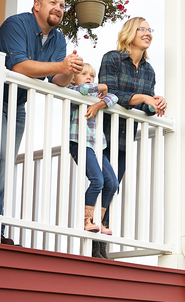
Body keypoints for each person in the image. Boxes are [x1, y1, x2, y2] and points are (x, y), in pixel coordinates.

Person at [0, 0, 83, 244]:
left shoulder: (58, 38)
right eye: (52, 2)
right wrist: (60, 65)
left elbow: (59, 80)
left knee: (5, 163)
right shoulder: (16, 25)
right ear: (37, 5)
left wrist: (70, 69)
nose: (58, 8)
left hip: (17, 105)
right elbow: (19, 65)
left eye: (62, 5)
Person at [98, 17, 167, 235]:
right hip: (102, 135)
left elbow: (144, 107)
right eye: (142, 29)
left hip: (125, 140)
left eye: (150, 30)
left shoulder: (149, 70)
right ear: (130, 32)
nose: (148, 33)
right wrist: (143, 98)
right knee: (102, 185)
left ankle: (100, 238)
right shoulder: (112, 59)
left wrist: (155, 103)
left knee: (111, 189)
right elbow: (110, 93)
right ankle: (92, 234)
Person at [67, 63, 119, 259]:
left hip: (97, 146)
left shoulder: (95, 95)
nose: (89, 78)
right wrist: (101, 88)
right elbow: (84, 88)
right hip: (79, 143)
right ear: (73, 78)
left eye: (92, 75)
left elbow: (114, 97)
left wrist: (99, 102)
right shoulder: (73, 90)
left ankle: (101, 220)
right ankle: (87, 220)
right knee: (97, 180)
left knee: (112, 183)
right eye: (83, 74)